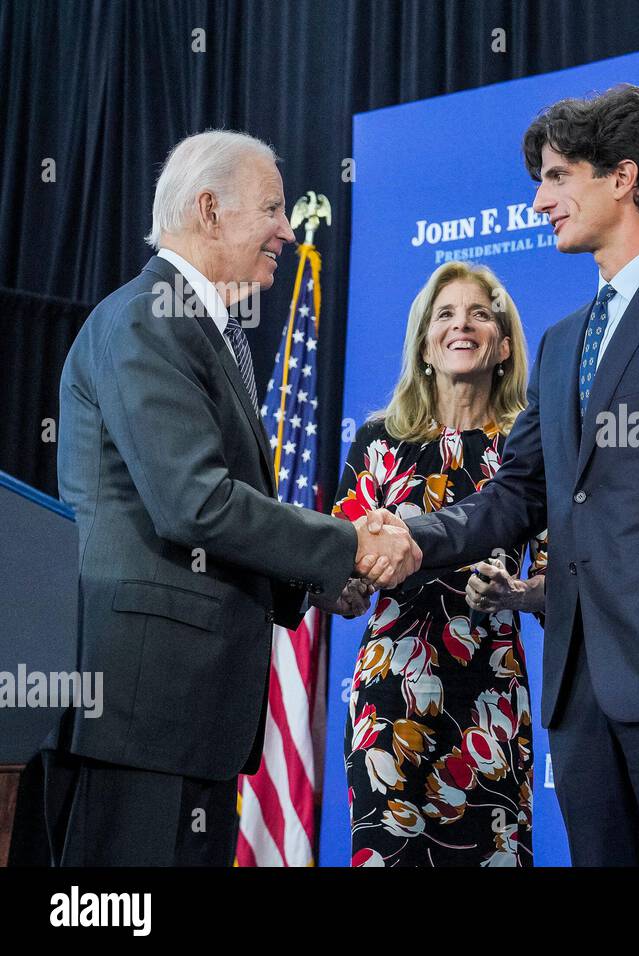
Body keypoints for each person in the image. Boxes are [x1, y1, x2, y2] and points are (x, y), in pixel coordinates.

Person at [367, 84, 639, 866]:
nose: (539, 201)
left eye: (558, 176)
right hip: (580, 695)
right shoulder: (562, 344)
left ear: (623, 177)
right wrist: (411, 534)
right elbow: (515, 496)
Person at [49, 129, 420, 867]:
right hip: (142, 707)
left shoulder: (203, 329)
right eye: (273, 209)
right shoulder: (149, 318)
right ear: (210, 210)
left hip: (189, 710)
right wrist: (350, 543)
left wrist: (315, 580)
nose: (288, 229)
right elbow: (193, 502)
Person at [335, 261, 546, 867]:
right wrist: (340, 588)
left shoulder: (529, 446)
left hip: (490, 695)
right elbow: (339, 559)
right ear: (425, 343)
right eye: (445, 314)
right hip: (389, 694)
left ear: (504, 345)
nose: (462, 325)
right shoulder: (378, 439)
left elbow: (561, 583)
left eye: (480, 313)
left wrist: (517, 594)